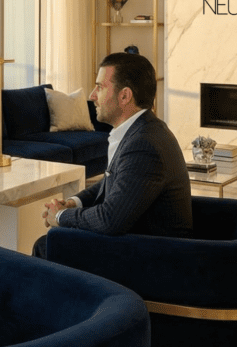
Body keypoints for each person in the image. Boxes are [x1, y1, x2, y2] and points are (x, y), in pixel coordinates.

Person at [32, 52, 192, 258]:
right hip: (142, 241)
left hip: (153, 256)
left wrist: (62, 216)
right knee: (52, 240)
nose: (92, 96)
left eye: (100, 87)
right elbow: (113, 180)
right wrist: (74, 203)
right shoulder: (144, 130)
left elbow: (110, 219)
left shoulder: (143, 145)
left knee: (47, 245)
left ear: (124, 96)